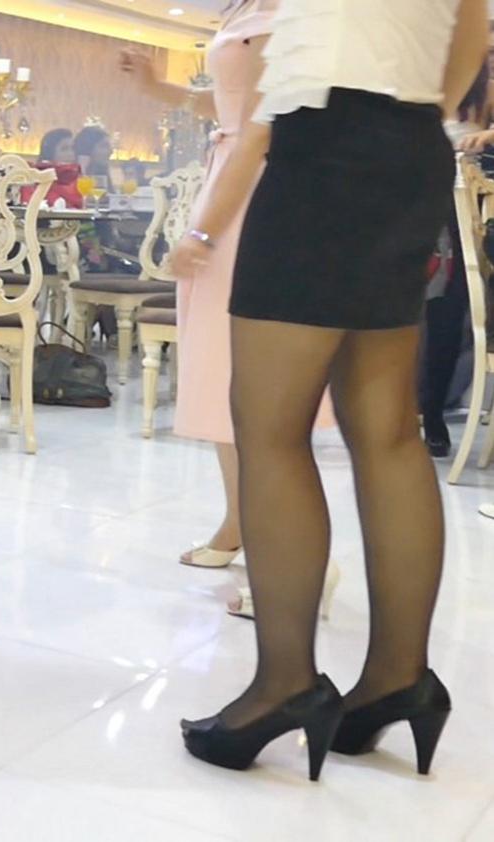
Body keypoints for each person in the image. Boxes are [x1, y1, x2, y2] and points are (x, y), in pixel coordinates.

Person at [170, 0, 487, 779]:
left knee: (269, 426)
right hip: (410, 144)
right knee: (386, 429)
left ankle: (284, 684)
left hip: (326, 145)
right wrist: (415, 112)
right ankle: (398, 679)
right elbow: (473, 30)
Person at [121, 1, 336, 621]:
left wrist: (207, 232)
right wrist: (157, 88)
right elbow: (228, 106)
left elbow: (265, 125)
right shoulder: (243, 12)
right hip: (231, 175)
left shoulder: (284, 14)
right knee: (221, 372)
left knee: (255, 379)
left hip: (257, 189)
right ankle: (239, 524)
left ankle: (295, 558)